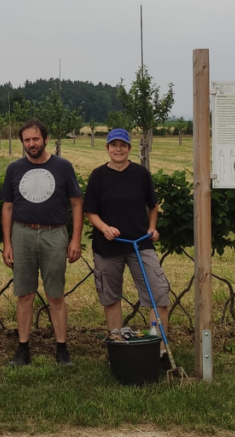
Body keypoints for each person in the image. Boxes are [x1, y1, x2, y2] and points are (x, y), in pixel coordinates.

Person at [0, 119, 83, 367]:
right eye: (27, 140)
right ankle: (23, 348)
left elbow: (77, 204)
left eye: (36, 139)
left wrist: (75, 239)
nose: (31, 144)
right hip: (22, 234)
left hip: (54, 235)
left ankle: (62, 348)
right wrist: (7, 243)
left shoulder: (63, 167)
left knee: (55, 295)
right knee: (24, 294)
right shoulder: (14, 169)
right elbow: (7, 208)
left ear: (46, 140)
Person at [83, 128, 171, 357]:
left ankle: (158, 349)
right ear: (107, 148)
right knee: (111, 298)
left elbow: (153, 206)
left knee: (158, 295)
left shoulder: (141, 174)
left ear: (130, 148)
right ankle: (118, 347)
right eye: (114, 145)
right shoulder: (98, 176)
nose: (118, 149)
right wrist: (105, 228)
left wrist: (152, 228)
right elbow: (90, 212)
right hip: (108, 248)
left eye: (123, 145)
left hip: (139, 244)